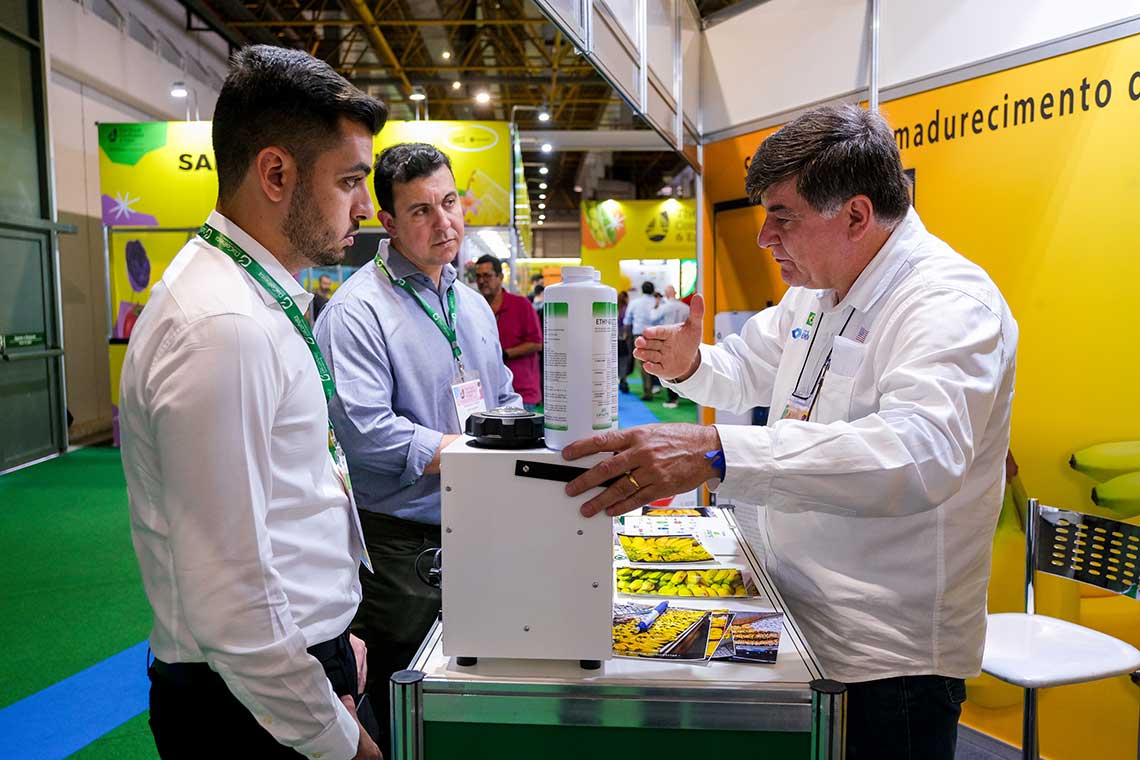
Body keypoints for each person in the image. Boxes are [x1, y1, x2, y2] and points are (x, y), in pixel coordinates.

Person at [561, 104, 1018, 760]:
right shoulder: (815, 291)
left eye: (783, 216)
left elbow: (920, 454)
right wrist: (691, 364)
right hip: (789, 612)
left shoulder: (947, 304)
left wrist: (716, 451)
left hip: (885, 656)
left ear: (856, 215)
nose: (763, 237)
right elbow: (748, 370)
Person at [118, 46, 387, 760]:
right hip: (248, 705)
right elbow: (231, 602)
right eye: (351, 181)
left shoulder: (251, 300)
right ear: (276, 174)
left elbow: (284, 505)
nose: (367, 206)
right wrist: (336, 740)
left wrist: (332, 631)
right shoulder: (222, 329)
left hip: (286, 672)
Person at [314, 142, 521, 746]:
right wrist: (477, 449)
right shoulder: (357, 311)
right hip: (398, 549)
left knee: (473, 687)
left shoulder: (470, 303)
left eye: (450, 202)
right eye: (421, 211)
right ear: (389, 222)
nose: (444, 222)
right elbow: (366, 432)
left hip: (479, 527)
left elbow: (501, 397)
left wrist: (520, 435)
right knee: (405, 702)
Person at [474, 253, 543, 410]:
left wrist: (505, 354)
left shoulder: (521, 305)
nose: (482, 281)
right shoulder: (474, 307)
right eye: (478, 276)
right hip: (487, 395)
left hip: (521, 393)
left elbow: (537, 343)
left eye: (487, 275)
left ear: (500, 277)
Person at [651, 285, 690, 408]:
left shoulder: (664, 307)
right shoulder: (686, 307)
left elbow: (653, 318)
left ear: (666, 295)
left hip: (667, 341)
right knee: (684, 367)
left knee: (668, 369)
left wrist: (656, 305)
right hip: (684, 340)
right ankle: (685, 394)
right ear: (676, 293)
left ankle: (673, 399)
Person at [622, 280, 660, 400]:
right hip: (655, 334)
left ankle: (646, 391)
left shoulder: (635, 302)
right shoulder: (658, 302)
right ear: (653, 290)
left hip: (638, 334)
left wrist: (625, 335)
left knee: (640, 362)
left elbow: (627, 320)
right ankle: (652, 389)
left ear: (642, 290)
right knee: (653, 361)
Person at [617, 290, 631, 393]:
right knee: (624, 360)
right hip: (623, 338)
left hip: (614, 338)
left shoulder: (615, 308)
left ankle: (619, 379)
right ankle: (623, 380)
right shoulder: (626, 309)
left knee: (616, 360)